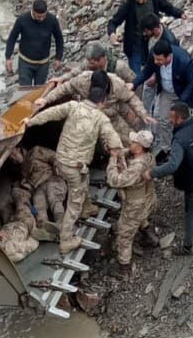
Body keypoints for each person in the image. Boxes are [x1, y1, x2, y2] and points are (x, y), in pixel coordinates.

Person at [24, 83, 123, 254]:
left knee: (85, 179)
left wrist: (30, 121)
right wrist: (118, 155)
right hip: (75, 166)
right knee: (73, 203)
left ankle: (87, 207)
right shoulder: (101, 118)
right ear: (102, 101)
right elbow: (112, 138)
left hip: (61, 161)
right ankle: (66, 239)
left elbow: (50, 113)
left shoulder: (72, 106)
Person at [143, 102, 193, 256]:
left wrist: (151, 173)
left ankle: (188, 246)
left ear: (179, 119)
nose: (169, 120)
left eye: (171, 118)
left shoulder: (179, 139)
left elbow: (172, 166)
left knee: (192, 212)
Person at [34, 67, 154, 141]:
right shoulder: (83, 80)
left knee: (125, 140)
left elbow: (131, 98)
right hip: (88, 113)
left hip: (111, 114)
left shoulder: (117, 84)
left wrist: (142, 114)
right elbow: (64, 88)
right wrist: (46, 99)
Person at [131, 40, 193, 156]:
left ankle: (189, 145)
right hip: (167, 91)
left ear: (168, 56)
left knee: (185, 120)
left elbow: (192, 83)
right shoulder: (154, 56)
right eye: (155, 59)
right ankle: (167, 148)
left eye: (159, 60)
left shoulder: (184, 61)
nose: (156, 62)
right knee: (164, 119)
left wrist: (180, 103)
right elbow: (146, 72)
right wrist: (133, 84)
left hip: (183, 93)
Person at [106, 130, 158, 279]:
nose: (131, 143)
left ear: (140, 147)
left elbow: (114, 180)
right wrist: (120, 151)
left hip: (135, 203)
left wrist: (112, 159)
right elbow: (130, 152)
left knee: (124, 234)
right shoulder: (149, 156)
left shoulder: (136, 166)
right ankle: (150, 237)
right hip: (147, 197)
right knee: (141, 217)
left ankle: (124, 268)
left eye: (134, 142)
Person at [107, 0, 184, 78]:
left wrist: (180, 14)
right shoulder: (128, 5)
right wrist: (112, 33)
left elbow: (167, 7)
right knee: (136, 75)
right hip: (135, 43)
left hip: (153, 39)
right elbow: (113, 22)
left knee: (159, 62)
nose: (140, 1)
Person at [9, 146, 66, 238]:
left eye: (14, 154)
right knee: (38, 206)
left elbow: (53, 156)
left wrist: (57, 165)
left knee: (54, 199)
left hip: (52, 179)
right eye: (11, 159)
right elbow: (25, 189)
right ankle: (44, 229)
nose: (13, 158)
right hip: (38, 188)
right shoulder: (23, 171)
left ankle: (61, 224)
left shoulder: (35, 151)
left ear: (19, 149)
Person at [5, 0, 64, 86]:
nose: (41, 19)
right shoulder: (22, 20)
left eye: (43, 16)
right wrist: (8, 57)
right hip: (25, 62)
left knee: (39, 90)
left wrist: (58, 58)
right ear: (32, 10)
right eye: (38, 16)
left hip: (43, 64)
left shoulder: (52, 20)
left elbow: (59, 39)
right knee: (25, 90)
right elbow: (12, 38)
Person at [61, 41, 136, 84]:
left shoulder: (119, 67)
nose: (89, 65)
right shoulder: (88, 64)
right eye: (89, 62)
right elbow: (75, 72)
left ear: (101, 60)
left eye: (92, 63)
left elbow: (134, 83)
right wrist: (62, 78)